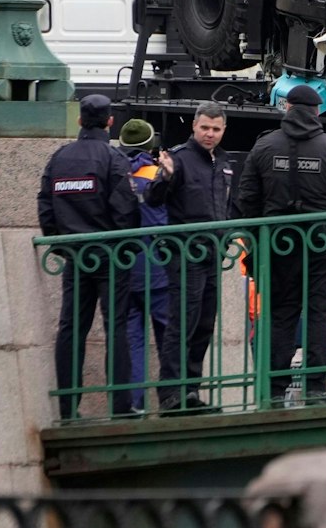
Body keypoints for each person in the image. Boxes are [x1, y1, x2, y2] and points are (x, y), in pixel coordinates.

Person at [235, 85, 326, 405]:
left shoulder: (264, 146)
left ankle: (275, 389)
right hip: (321, 245)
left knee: (281, 315)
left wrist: (256, 242)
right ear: (317, 111)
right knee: (319, 313)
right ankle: (316, 386)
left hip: (277, 245)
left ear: (288, 108)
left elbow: (247, 200)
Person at [37, 94, 140, 421]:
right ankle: (120, 406)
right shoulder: (114, 159)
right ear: (110, 122)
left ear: (80, 120)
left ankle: (68, 408)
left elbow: (46, 205)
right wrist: (126, 249)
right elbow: (126, 210)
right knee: (116, 328)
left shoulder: (60, 158)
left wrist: (61, 245)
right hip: (110, 256)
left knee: (71, 329)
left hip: (76, 256)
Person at [145, 106, 232, 412]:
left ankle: (191, 391)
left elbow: (224, 205)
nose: (210, 134)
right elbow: (153, 198)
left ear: (223, 131)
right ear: (194, 125)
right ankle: (171, 393)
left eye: (216, 129)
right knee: (183, 323)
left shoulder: (223, 161)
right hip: (186, 253)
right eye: (205, 128)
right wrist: (165, 177)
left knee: (204, 324)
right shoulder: (179, 158)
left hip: (213, 252)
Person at [114, 120, 181, 416]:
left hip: (125, 267)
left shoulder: (116, 174)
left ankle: (134, 403)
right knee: (169, 336)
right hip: (158, 268)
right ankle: (172, 397)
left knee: (133, 341)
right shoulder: (157, 174)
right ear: (150, 145)